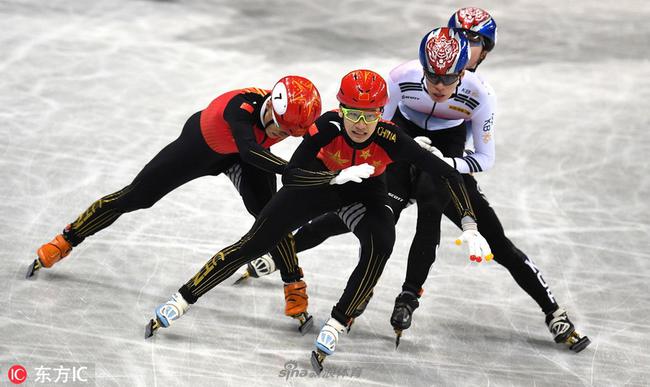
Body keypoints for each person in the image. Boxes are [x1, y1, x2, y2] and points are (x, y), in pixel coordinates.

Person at [243, 11, 591, 353]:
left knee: (478, 232)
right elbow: (374, 130)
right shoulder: (400, 77)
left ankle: (550, 311)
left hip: (443, 160)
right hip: (400, 146)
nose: (440, 87)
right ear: (423, 66)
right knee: (373, 215)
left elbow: (484, 159)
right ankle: (281, 254)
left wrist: (445, 162)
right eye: (432, 77)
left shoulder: (481, 93)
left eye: (449, 78)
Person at [145, 69, 491, 374]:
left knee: (382, 242)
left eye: (369, 115)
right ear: (341, 109)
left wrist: (469, 223)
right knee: (254, 242)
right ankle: (183, 298)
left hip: (366, 193)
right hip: (318, 186)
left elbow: (449, 174)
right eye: (353, 114)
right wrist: (332, 178)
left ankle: (338, 322)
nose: (360, 124)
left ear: (381, 114)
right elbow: (292, 176)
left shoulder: (391, 138)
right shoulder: (326, 128)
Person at [26, 75, 322, 332]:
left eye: (289, 134)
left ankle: (293, 284)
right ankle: (67, 238)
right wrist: (290, 171)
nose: (282, 136)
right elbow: (249, 150)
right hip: (202, 149)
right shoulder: (241, 108)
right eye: (281, 130)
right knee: (136, 197)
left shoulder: (285, 117)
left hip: (247, 156)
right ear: (270, 107)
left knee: (271, 216)